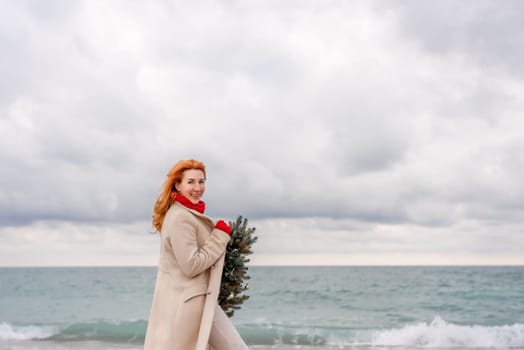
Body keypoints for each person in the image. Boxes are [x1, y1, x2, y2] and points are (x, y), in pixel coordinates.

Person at [144, 159, 249, 350]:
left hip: (193, 300)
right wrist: (220, 235)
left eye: (201, 181)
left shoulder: (185, 214)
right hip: (194, 304)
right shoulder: (180, 218)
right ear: (177, 185)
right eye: (191, 182)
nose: (198, 188)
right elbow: (191, 265)